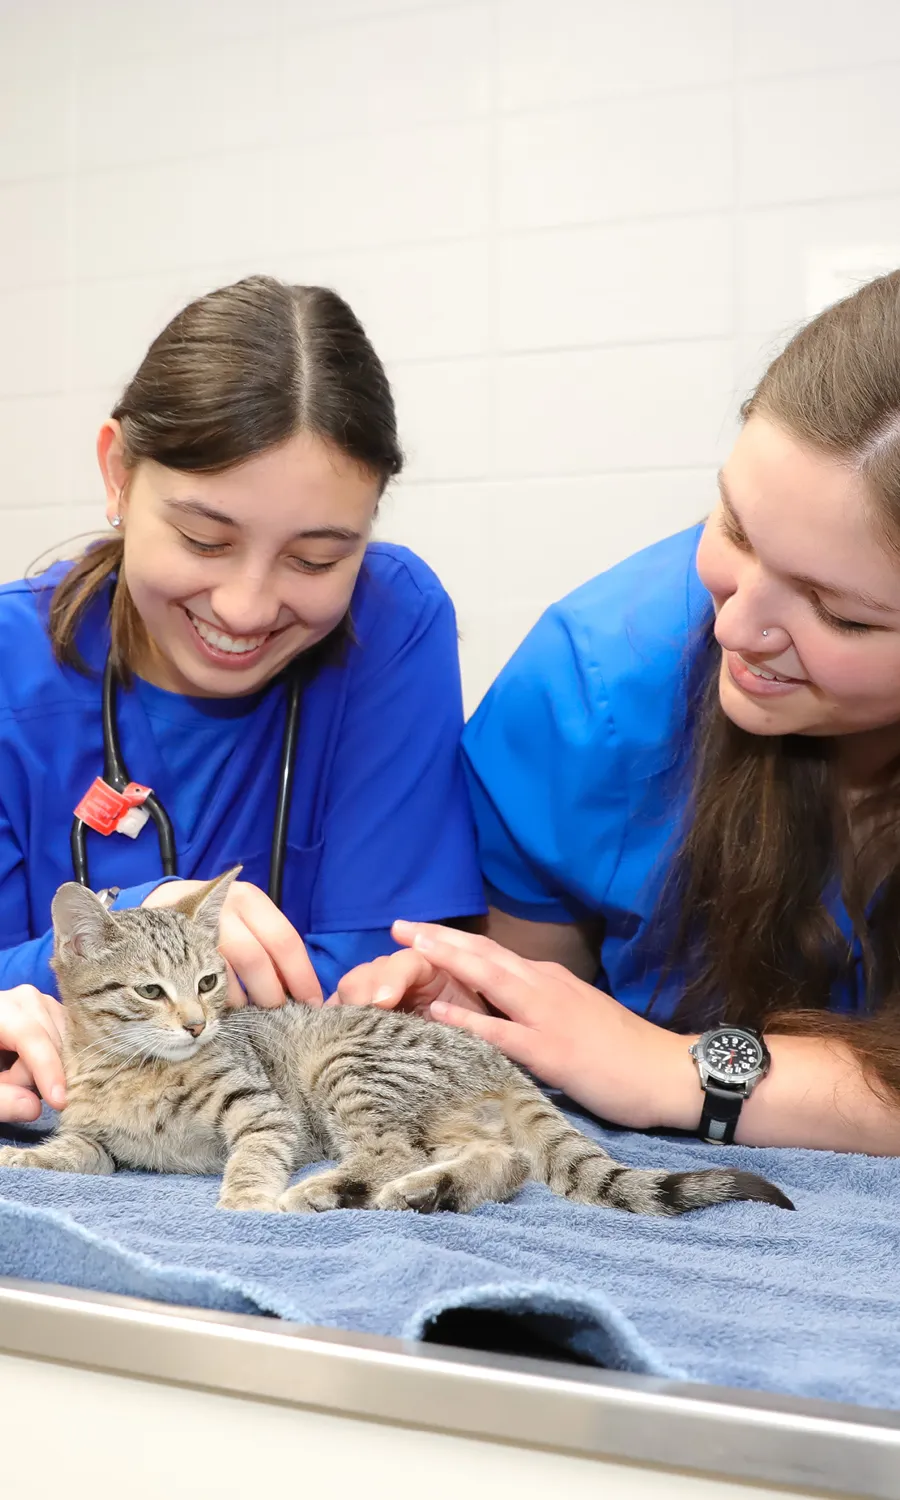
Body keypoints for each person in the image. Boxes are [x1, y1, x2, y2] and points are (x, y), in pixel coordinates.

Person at [332, 269, 900, 1157]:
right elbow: (540, 987)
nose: (736, 626)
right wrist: (475, 1007)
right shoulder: (593, 685)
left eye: (840, 613)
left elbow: (643, 1065)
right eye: (738, 531)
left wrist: (678, 1072)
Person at [0, 276, 484, 1124]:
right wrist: (114, 930)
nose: (246, 609)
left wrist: (63, 987)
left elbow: (388, 970)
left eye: (316, 559)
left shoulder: (391, 622)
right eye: (204, 540)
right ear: (117, 473)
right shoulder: (14, 668)